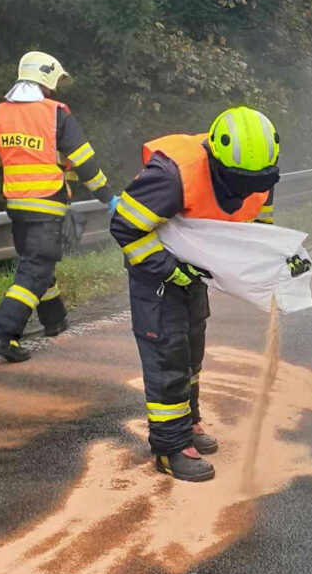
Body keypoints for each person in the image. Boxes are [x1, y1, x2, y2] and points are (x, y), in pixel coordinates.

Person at [110, 107, 279, 482]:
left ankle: (189, 422)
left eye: (255, 182)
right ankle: (170, 448)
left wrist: (274, 263)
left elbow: (258, 231)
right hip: (156, 269)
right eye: (238, 182)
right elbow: (124, 227)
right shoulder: (172, 176)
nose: (247, 190)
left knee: (192, 348)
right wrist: (169, 269)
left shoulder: (260, 175)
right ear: (217, 159)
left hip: (194, 267)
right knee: (168, 352)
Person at [0, 51, 117, 362]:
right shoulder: (56, 114)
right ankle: (4, 334)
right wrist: (108, 196)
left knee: (38, 264)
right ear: (47, 80)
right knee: (35, 270)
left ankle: (55, 319)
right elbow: (84, 162)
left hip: (17, 207)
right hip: (47, 205)